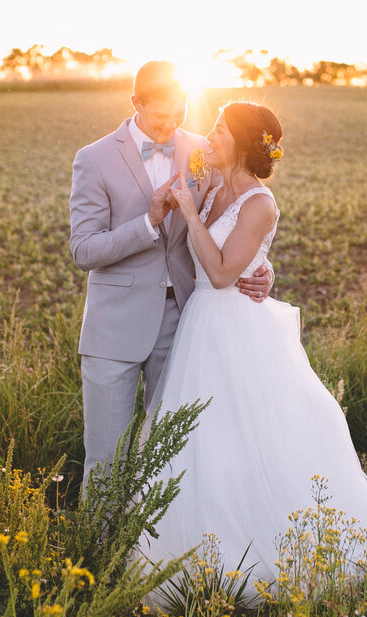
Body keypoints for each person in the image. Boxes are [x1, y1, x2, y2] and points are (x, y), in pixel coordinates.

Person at [138, 102, 367, 598]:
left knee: (249, 438)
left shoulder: (260, 203)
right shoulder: (211, 187)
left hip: (236, 330)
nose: (208, 135)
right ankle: (195, 544)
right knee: (202, 440)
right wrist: (196, 210)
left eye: (218, 128)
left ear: (241, 141)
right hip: (201, 327)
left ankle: (255, 548)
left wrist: (188, 215)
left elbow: (221, 273)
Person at [69, 62, 273, 489]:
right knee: (106, 459)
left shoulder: (207, 150)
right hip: (115, 327)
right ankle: (98, 553)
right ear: (135, 103)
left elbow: (240, 210)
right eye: (159, 117)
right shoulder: (94, 158)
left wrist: (260, 267)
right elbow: (83, 250)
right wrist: (147, 224)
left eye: (178, 115)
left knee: (170, 457)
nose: (169, 127)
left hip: (185, 324)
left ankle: (152, 555)